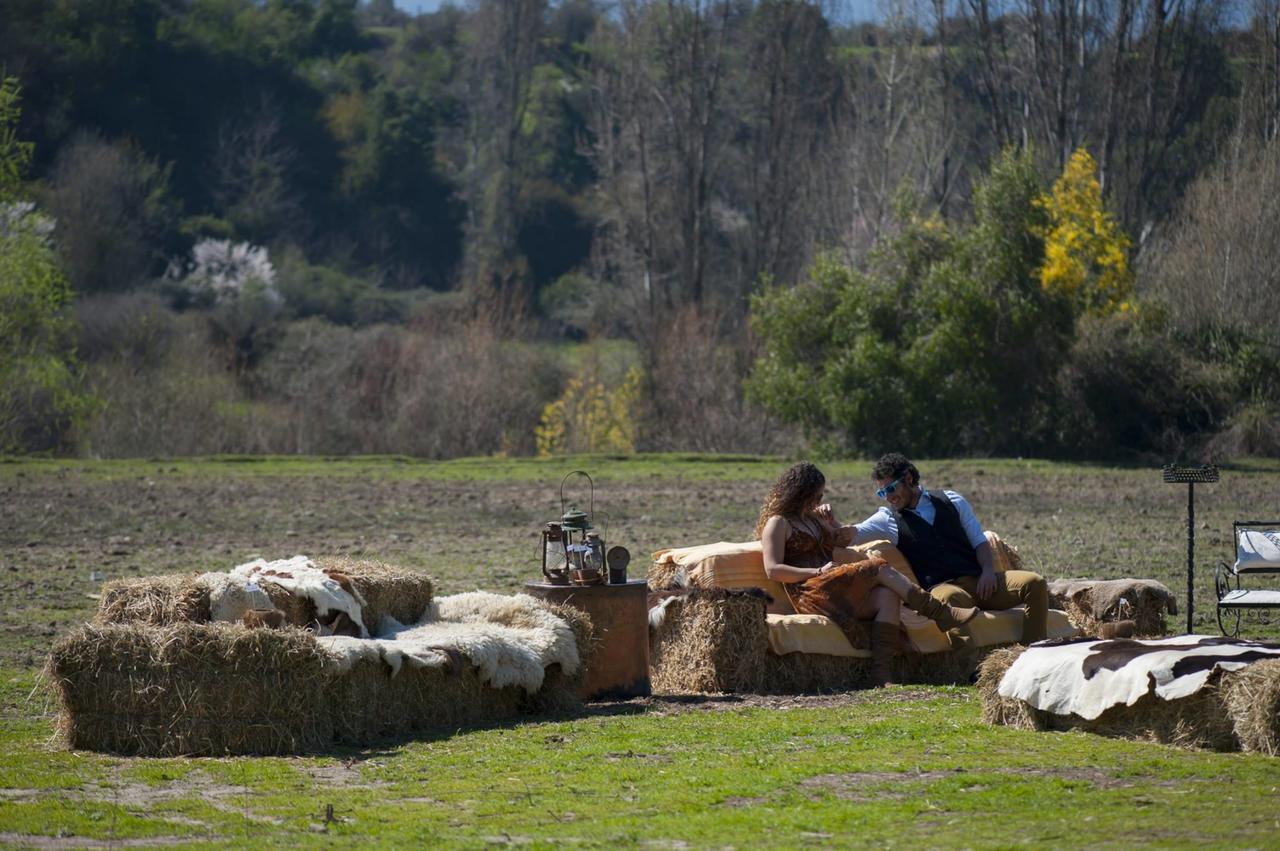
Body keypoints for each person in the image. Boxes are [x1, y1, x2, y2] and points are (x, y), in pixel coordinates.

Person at [756, 462, 979, 686]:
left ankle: (881, 675)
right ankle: (939, 612)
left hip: (833, 584)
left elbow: (840, 540)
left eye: (821, 495)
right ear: (799, 493)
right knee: (878, 566)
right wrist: (816, 571)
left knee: (888, 597)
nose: (818, 501)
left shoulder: (813, 519)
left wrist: (831, 523)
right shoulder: (778, 523)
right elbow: (773, 569)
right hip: (809, 589)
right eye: (815, 496)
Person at [840, 452, 1048, 645]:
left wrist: (987, 572)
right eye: (881, 492)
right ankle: (971, 670)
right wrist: (824, 523)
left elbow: (979, 541)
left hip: (978, 581)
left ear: (909, 478)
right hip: (943, 587)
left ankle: (1031, 651)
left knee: (1035, 583)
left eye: (890, 488)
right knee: (949, 600)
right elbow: (851, 533)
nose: (888, 497)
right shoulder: (887, 519)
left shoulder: (952, 500)